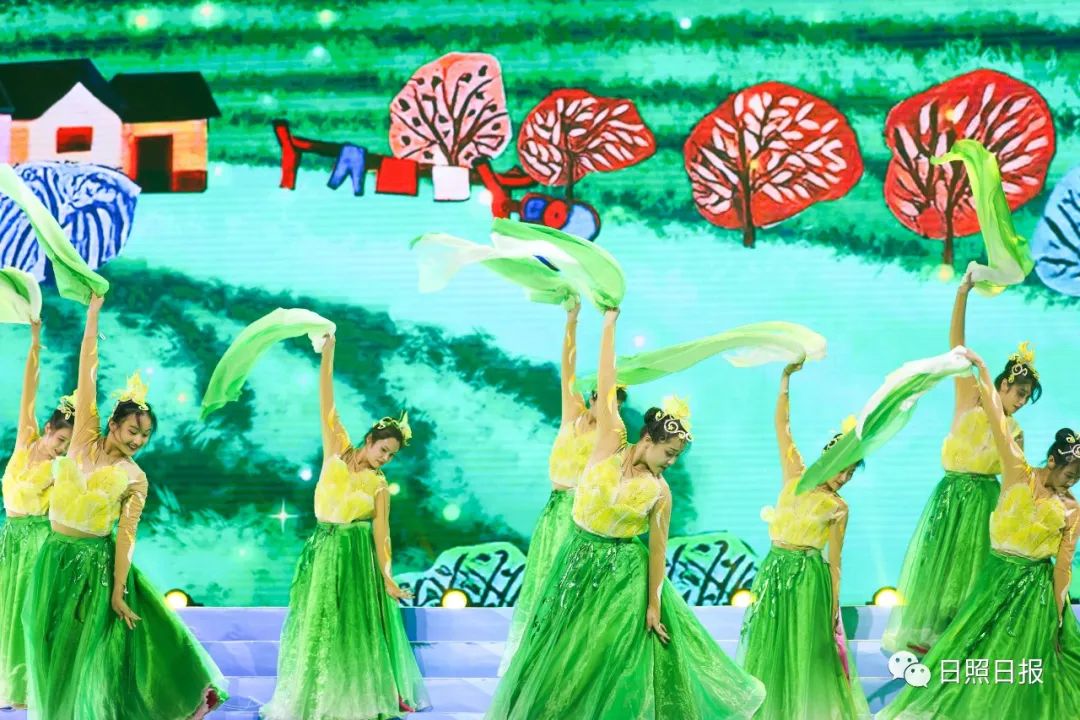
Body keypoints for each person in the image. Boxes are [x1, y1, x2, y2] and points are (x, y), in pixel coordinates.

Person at [486, 307, 765, 719]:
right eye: (669, 453)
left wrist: (653, 604)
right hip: (575, 558)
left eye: (677, 456)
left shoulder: (660, 491)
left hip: (623, 575)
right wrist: (608, 325)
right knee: (561, 649)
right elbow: (605, 381)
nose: (671, 462)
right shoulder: (610, 442)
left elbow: (658, 552)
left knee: (610, 656)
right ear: (648, 439)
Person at [21, 294, 227, 719]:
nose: (138, 440)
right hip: (53, 557)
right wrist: (93, 313)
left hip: (92, 568)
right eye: (133, 430)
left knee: (81, 656)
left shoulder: (136, 477)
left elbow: (127, 538)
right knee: (45, 647)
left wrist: (117, 590)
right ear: (113, 423)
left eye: (145, 436)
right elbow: (88, 367)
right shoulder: (81, 438)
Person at [878, 349, 1080, 719]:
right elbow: (998, 423)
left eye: (1076, 479)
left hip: (1034, 591)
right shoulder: (1018, 471)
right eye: (1069, 475)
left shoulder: (1072, 508)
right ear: (1052, 460)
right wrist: (984, 369)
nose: (1071, 484)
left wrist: (1057, 616)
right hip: (996, 574)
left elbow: (1063, 566)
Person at [260, 332, 429, 720]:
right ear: (369, 439)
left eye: (392, 456)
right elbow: (326, 401)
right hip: (323, 548)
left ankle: (359, 696)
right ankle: (315, 696)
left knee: (351, 628)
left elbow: (382, 534)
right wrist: (328, 353)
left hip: (355, 557)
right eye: (383, 450)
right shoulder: (337, 449)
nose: (385, 458)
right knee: (318, 624)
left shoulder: (380, 485)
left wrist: (387, 576)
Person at [883, 269, 1038, 655]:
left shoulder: (1015, 430)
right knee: (941, 564)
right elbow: (957, 346)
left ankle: (960, 639)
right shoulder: (970, 395)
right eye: (1019, 392)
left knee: (970, 570)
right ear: (1003, 384)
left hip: (984, 500)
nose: (1021, 401)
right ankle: (929, 637)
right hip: (951, 494)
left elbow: (1018, 478)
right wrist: (963, 292)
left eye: (1026, 397)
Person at [736, 359, 870, 719]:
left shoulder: (839, 507)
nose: (844, 478)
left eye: (851, 473)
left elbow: (835, 563)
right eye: (842, 468)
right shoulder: (796, 475)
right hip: (774, 569)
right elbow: (782, 426)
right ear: (828, 457)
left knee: (801, 652)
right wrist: (785, 380)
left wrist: (833, 610)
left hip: (809, 581)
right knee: (771, 646)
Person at [499, 298, 627, 674]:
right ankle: (538, 658)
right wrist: (572, 319)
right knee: (542, 581)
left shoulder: (612, 433)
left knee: (569, 585)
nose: (608, 406)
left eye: (614, 403)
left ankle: (570, 658)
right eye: (603, 398)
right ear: (591, 397)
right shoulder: (572, 415)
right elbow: (567, 368)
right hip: (553, 509)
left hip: (579, 514)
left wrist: (610, 325)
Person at [0, 319, 72, 708]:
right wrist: (34, 341)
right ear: (47, 428)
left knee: (30, 615)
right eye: (60, 439)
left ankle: (33, 688)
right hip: (10, 539)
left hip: (38, 543)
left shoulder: (63, 467)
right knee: (6, 611)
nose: (62, 448)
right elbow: (29, 389)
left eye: (68, 444)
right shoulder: (25, 441)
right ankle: (8, 683)